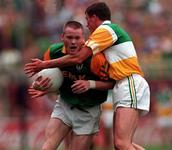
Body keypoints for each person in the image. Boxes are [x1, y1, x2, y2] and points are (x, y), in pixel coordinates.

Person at [24, 2, 150, 150]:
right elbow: (65, 77)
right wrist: (47, 88)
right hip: (119, 86)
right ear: (62, 37)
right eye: (69, 37)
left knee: (122, 144)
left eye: (87, 19)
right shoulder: (58, 50)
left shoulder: (105, 30)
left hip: (128, 83)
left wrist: (44, 64)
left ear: (94, 17)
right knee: (121, 144)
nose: (87, 24)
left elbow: (78, 58)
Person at [28, 20, 114, 150]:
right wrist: (42, 87)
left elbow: (111, 83)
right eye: (69, 37)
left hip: (88, 111)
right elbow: (50, 78)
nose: (73, 42)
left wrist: (90, 84)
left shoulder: (96, 57)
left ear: (83, 39)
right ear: (62, 37)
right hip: (64, 105)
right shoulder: (53, 53)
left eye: (77, 38)